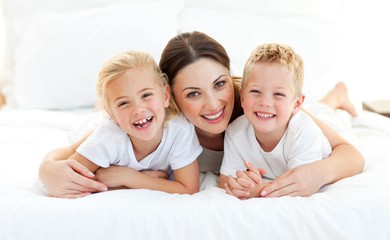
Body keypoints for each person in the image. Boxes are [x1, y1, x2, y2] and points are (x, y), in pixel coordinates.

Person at [38, 31, 364, 199]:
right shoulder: (157, 119)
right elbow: (62, 158)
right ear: (171, 99)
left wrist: (316, 174)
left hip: (308, 120)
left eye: (219, 84)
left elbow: (350, 154)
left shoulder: (259, 105)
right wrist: (46, 170)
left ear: (231, 77)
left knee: (326, 113)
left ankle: (336, 96)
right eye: (193, 94)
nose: (212, 104)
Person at [62, 50, 202, 195]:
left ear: (165, 95)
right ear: (112, 115)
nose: (138, 109)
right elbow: (70, 182)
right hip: (91, 127)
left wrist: (130, 178)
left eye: (146, 95)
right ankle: (99, 108)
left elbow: (189, 188)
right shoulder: (107, 137)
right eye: (123, 103)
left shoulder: (180, 130)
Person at [219, 43, 332, 197]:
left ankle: (337, 97)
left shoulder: (304, 132)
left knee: (330, 114)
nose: (265, 102)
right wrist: (240, 184)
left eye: (278, 94)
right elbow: (225, 180)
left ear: (297, 104)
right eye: (255, 91)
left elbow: (298, 187)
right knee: (321, 109)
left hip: (330, 128)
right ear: (243, 97)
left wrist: (257, 190)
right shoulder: (235, 131)